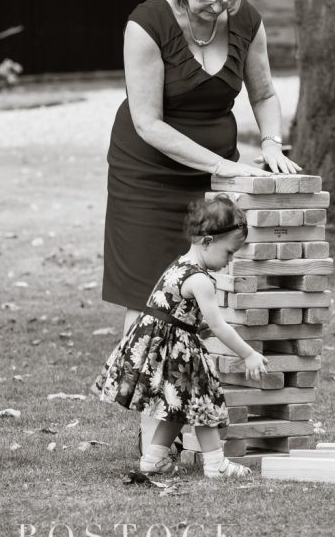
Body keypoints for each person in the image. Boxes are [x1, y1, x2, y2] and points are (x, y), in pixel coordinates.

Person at [102, 0, 300, 459]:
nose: (220, 7)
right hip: (147, 174)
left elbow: (262, 91)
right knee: (150, 303)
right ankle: (151, 441)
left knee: (208, 297)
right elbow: (147, 122)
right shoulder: (148, 24)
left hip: (214, 178)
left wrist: (273, 144)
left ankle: (202, 429)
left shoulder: (246, 20)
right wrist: (225, 164)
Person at [92, 196, 268, 478]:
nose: (230, 261)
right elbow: (220, 326)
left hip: (162, 345)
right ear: (208, 241)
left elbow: (176, 312)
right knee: (202, 401)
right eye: (229, 253)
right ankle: (216, 464)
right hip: (177, 351)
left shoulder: (179, 264)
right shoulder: (200, 279)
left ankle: (153, 459)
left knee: (178, 404)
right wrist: (248, 354)